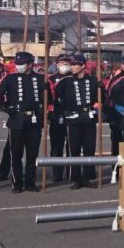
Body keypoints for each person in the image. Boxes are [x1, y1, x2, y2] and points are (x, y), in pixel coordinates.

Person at [0, 52, 48, 193]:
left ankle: (30, 182)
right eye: (17, 63)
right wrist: (5, 107)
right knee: (15, 154)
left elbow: (49, 100)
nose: (18, 66)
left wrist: (45, 106)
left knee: (32, 155)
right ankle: (17, 183)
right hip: (16, 120)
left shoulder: (41, 79)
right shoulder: (10, 78)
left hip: (34, 120)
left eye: (21, 63)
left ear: (30, 64)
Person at [55, 54, 102, 189]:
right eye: (72, 64)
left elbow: (101, 99)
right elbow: (56, 97)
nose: (72, 67)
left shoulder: (93, 81)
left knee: (89, 148)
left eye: (75, 65)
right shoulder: (65, 81)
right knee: (74, 149)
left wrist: (101, 89)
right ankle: (75, 178)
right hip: (73, 119)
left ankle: (87, 177)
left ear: (83, 66)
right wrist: (63, 111)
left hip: (88, 117)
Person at [47, 54, 72, 182]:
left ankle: (71, 172)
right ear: (57, 64)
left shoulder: (74, 77)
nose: (65, 65)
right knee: (56, 146)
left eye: (67, 62)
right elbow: (47, 99)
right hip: (57, 115)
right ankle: (57, 173)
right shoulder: (51, 79)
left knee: (72, 146)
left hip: (72, 115)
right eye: (62, 63)